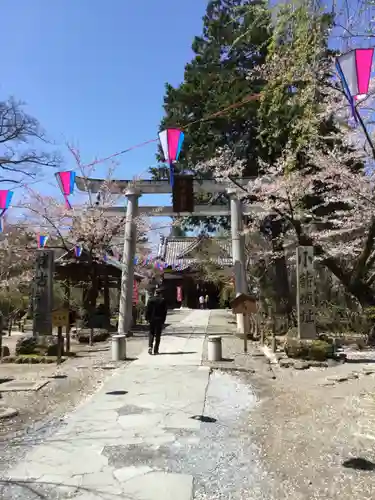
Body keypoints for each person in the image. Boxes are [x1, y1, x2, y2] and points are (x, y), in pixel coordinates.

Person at [145, 288, 168, 355]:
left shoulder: (150, 300)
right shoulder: (162, 301)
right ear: (160, 294)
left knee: (151, 333)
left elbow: (147, 310)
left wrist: (147, 318)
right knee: (158, 335)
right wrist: (163, 321)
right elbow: (164, 312)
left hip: (152, 319)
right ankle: (156, 350)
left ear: (155, 293)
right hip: (159, 319)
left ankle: (150, 346)